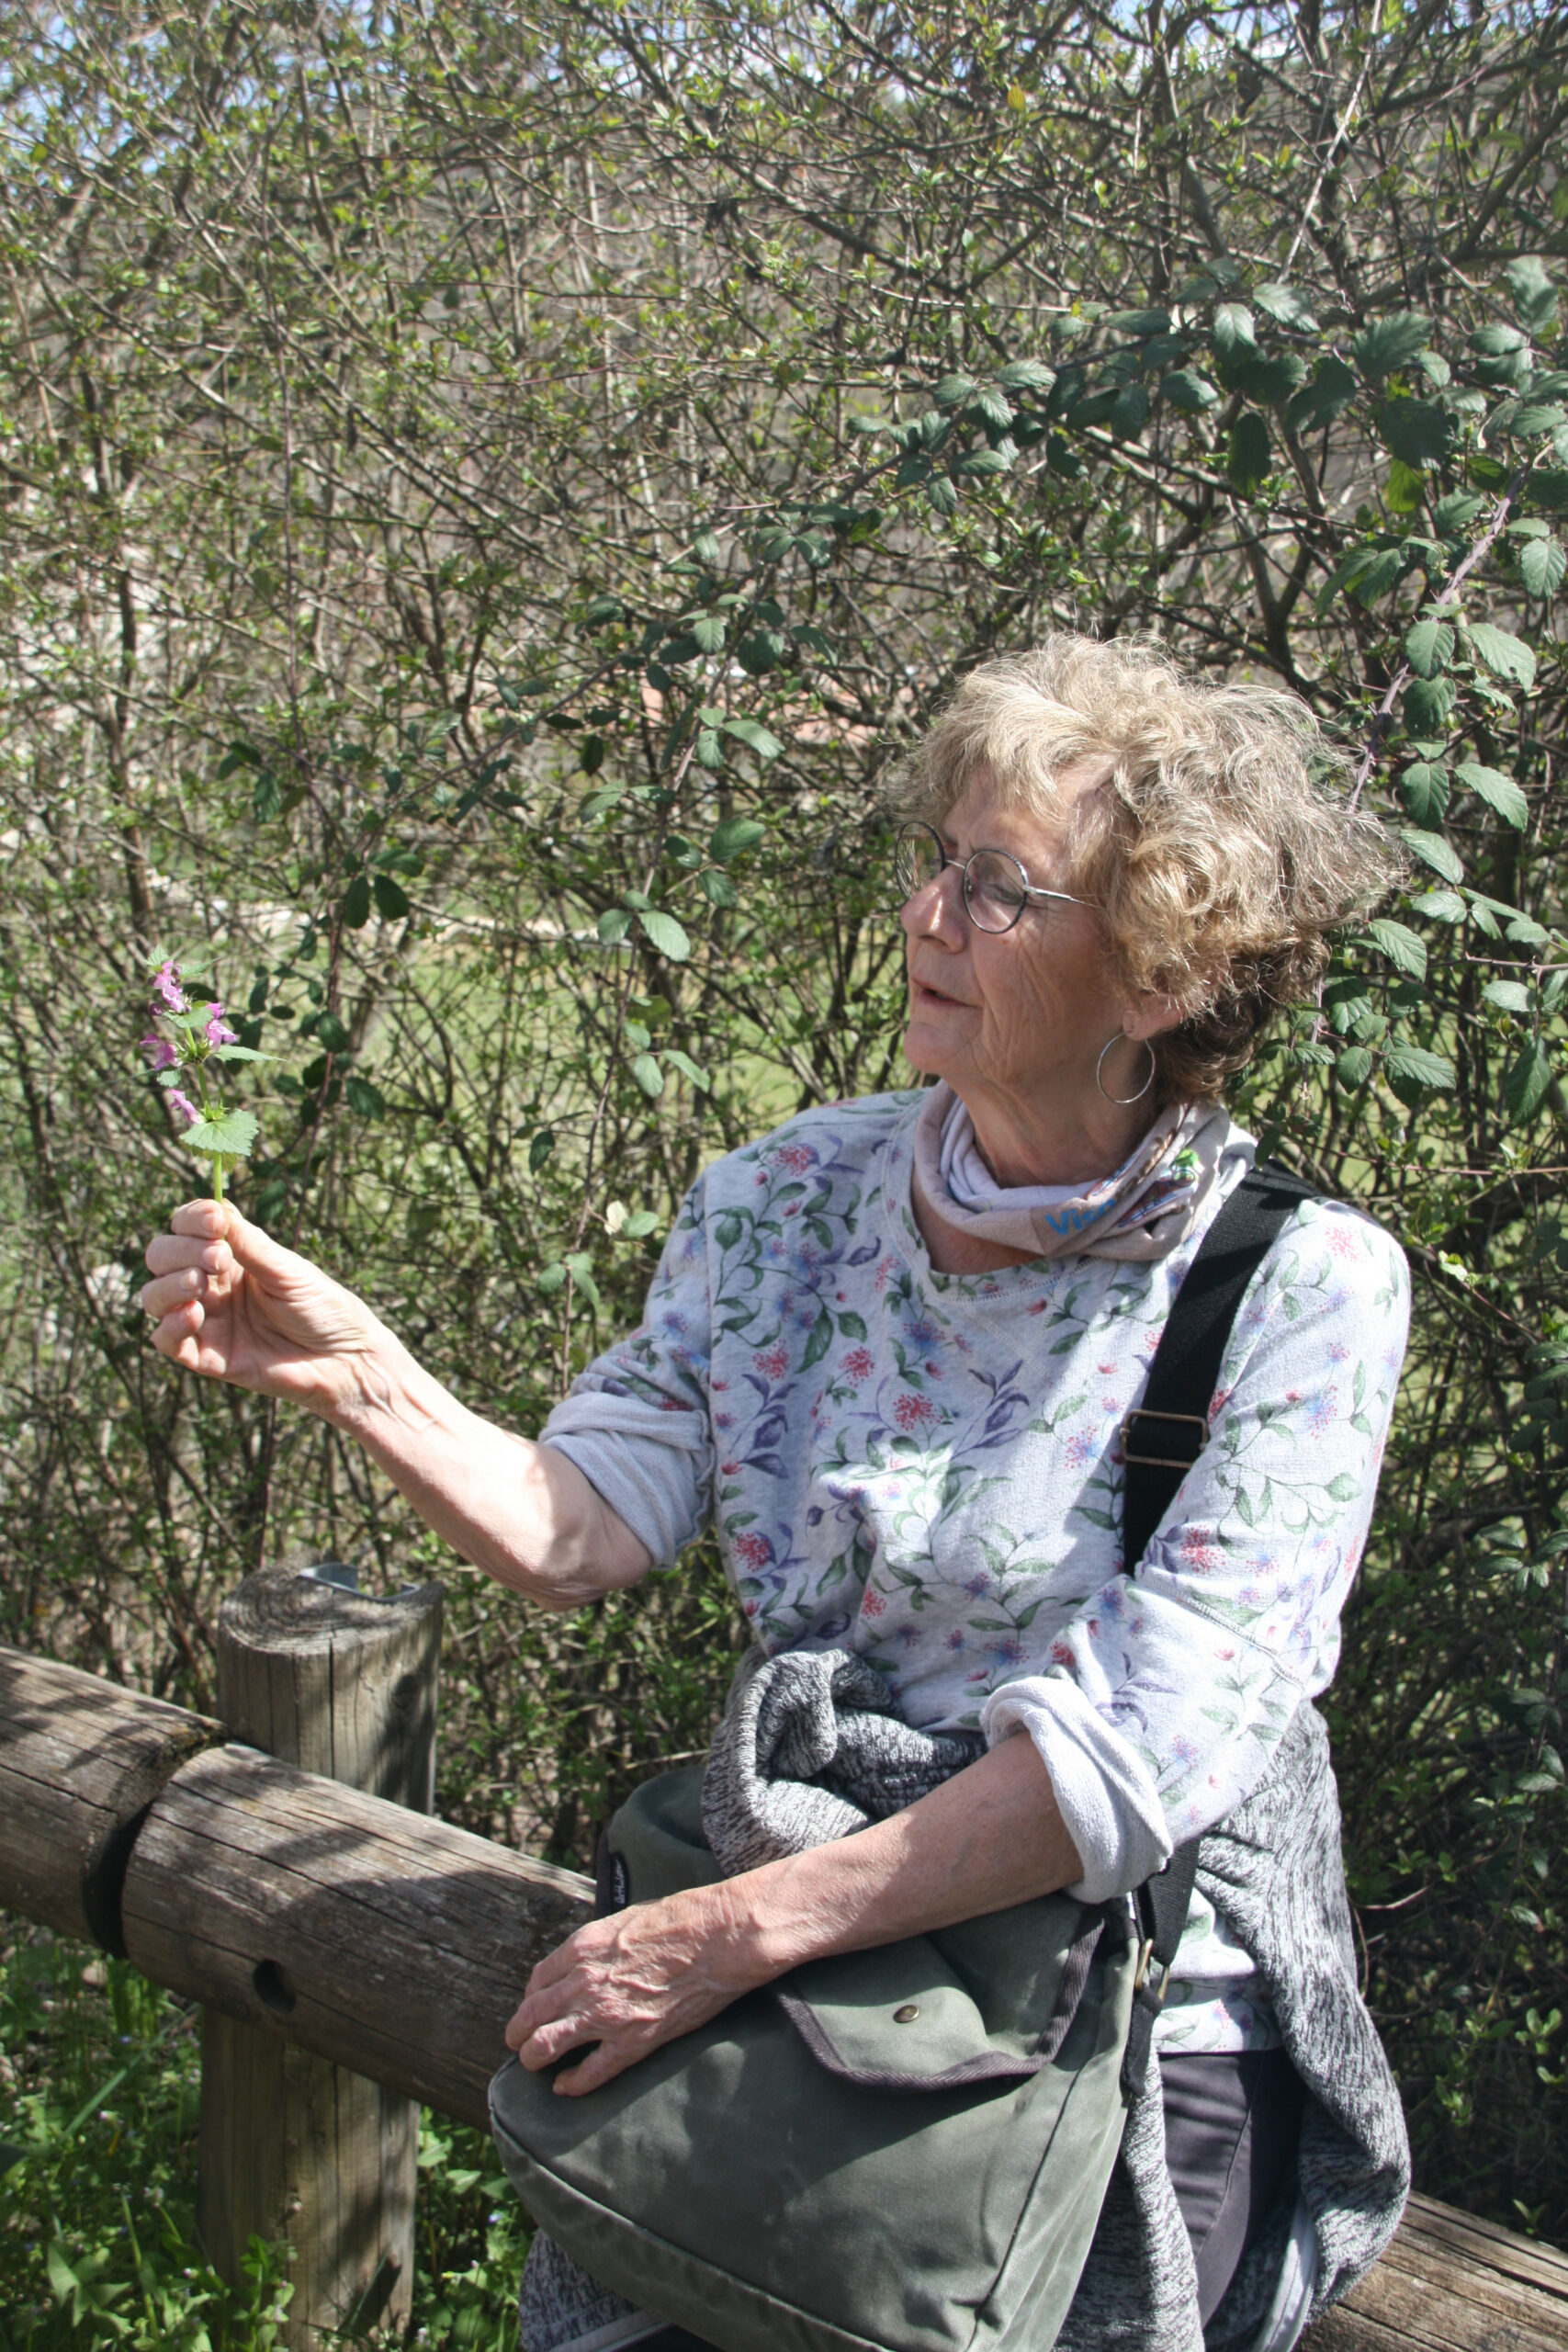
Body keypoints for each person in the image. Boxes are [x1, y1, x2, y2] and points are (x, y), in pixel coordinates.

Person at [141, 635, 1411, 2351]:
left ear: (1159, 973)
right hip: (802, 1951)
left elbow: (1126, 1765)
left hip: (1120, 2003)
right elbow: (580, 1529)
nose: (928, 917)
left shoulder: (1294, 1289)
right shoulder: (787, 1200)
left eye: (999, 887)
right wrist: (358, 1374)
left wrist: (726, 1936)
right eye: (936, 863)